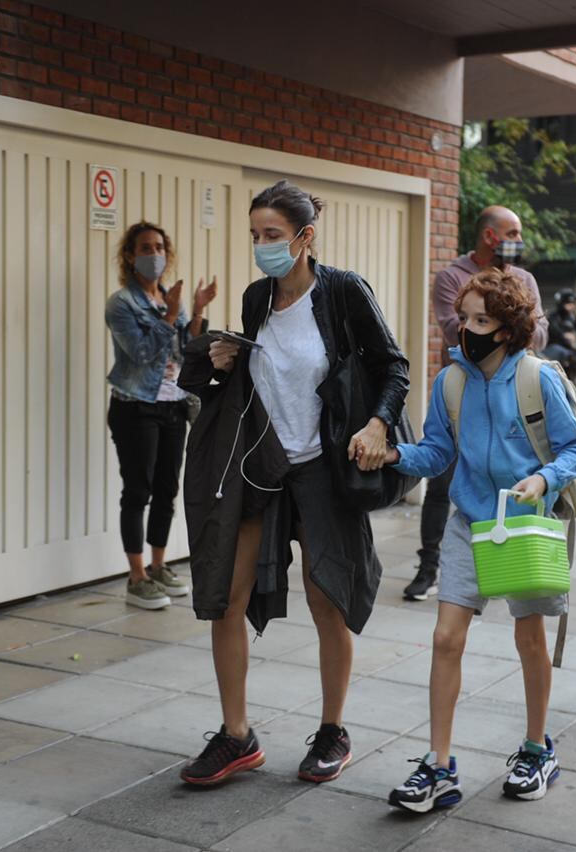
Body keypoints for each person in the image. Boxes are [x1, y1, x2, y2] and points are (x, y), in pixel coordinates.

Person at [177, 179, 408, 787]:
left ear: (305, 238)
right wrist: (222, 359)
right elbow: (248, 379)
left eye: (272, 236)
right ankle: (236, 736)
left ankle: (333, 730)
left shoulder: (342, 292)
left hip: (325, 468)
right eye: (255, 236)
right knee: (226, 595)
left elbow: (393, 366)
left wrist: (380, 423)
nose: (261, 246)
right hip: (262, 466)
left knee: (325, 598)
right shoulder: (257, 300)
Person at [379, 267, 576, 813]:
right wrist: (395, 455)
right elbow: (436, 453)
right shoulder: (451, 382)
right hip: (469, 522)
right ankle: (439, 763)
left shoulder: (537, 378)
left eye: (479, 320)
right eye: (462, 318)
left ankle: (536, 749)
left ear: (505, 329)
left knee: (529, 640)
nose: (463, 330)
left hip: (525, 525)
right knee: (446, 638)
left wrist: (543, 479)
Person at [404, 206, 548, 602]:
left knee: (516, 479)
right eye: (513, 232)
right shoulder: (452, 276)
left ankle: (516, 563)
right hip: (463, 395)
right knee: (443, 482)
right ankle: (429, 566)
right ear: (490, 236)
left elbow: (541, 334)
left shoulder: (525, 279)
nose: (519, 239)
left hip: (513, 394)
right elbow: (455, 333)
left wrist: (517, 320)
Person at [104, 221, 217, 610]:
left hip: (173, 405)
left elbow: (186, 351)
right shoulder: (122, 304)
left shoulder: (172, 299)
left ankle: (158, 566)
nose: (154, 254)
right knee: (139, 490)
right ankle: (135, 577)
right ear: (131, 256)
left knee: (167, 490)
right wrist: (169, 317)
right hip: (135, 407)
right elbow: (141, 353)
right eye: (145, 248)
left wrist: (197, 310)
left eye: (159, 247)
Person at [543, 288, 576, 363]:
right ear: (561, 304)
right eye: (568, 303)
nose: (572, 306)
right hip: (555, 347)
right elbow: (554, 331)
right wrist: (564, 335)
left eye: (573, 303)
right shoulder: (553, 317)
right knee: (564, 354)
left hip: (570, 347)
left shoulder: (572, 316)